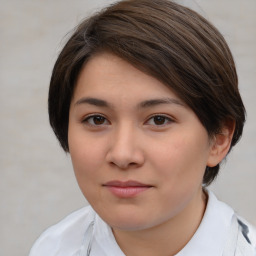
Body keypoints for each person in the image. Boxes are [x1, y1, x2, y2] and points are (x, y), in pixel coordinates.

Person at [29, 0, 256, 255]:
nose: (123, 155)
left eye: (159, 120)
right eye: (97, 119)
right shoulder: (52, 248)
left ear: (219, 139)